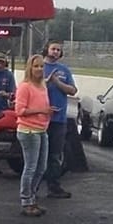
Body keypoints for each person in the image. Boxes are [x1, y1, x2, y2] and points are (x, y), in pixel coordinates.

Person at [15, 55, 55, 216]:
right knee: (30, 167)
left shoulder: (43, 86)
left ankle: (32, 197)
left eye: (41, 66)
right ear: (30, 68)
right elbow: (20, 111)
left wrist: (48, 112)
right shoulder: (25, 87)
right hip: (28, 131)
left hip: (42, 129)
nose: (39, 69)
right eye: (36, 66)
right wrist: (41, 111)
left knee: (41, 168)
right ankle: (26, 201)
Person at [42, 40, 78, 198]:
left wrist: (57, 82)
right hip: (40, 118)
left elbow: (72, 90)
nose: (55, 52)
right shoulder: (39, 66)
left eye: (58, 50)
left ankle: (54, 186)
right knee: (38, 154)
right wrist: (47, 81)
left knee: (55, 154)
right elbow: (29, 86)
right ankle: (33, 188)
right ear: (47, 50)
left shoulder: (64, 70)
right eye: (53, 49)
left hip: (59, 119)